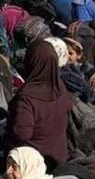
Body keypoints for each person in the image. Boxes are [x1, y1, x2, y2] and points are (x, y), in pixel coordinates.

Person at [6, 40, 72, 168]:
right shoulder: (59, 88)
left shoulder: (26, 97)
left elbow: (22, 134)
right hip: (60, 158)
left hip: (34, 164)